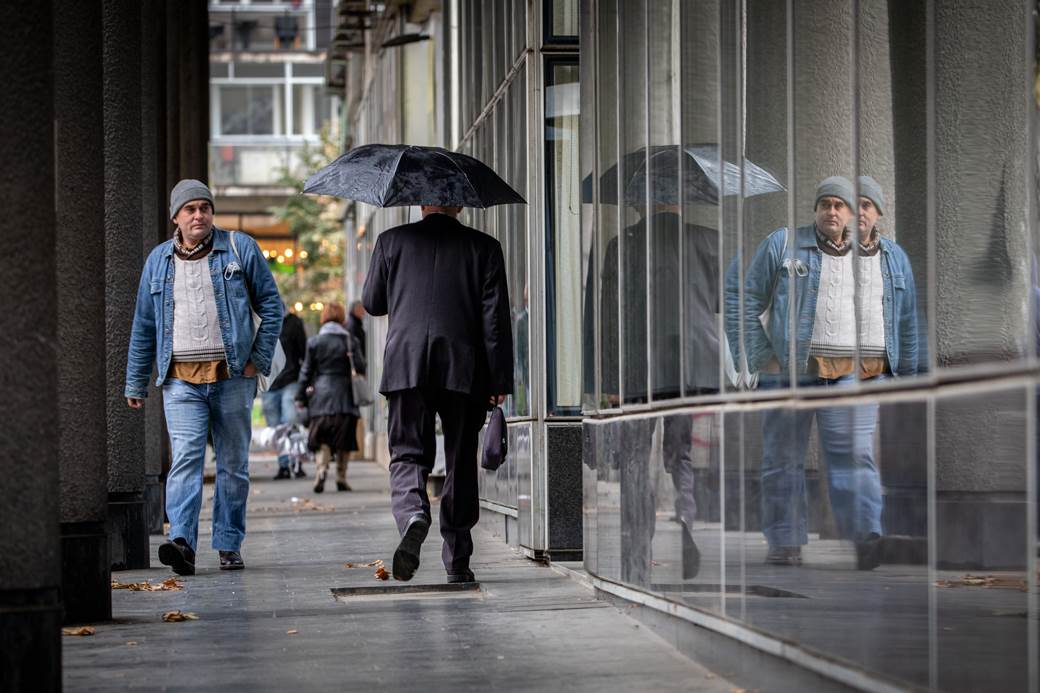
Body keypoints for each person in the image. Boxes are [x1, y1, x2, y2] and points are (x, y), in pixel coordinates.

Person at [725, 175, 919, 570]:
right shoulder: (784, 244)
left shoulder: (892, 257)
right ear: (815, 209)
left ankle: (867, 539)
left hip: (854, 376)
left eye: (840, 205)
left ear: (855, 213)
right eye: (825, 204)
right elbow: (741, 301)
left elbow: (908, 321)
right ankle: (784, 541)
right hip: (790, 375)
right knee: (781, 459)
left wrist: (909, 379)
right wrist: (762, 357)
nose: (833, 211)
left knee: (854, 456)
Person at [125, 179, 282, 575]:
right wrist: (135, 380)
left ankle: (229, 543)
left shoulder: (239, 247)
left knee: (232, 464)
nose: (199, 215)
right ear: (175, 217)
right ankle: (182, 543)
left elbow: (272, 305)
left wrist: (256, 361)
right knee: (186, 461)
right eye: (190, 209)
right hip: (180, 381)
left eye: (205, 208)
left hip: (232, 377)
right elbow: (144, 325)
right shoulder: (157, 261)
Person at [362, 204, 513, 584]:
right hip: (463, 367)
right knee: (461, 460)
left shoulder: (390, 241)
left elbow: (372, 302)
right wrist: (499, 381)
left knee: (408, 452)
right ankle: (458, 559)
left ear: (420, 203)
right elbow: (494, 321)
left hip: (406, 364)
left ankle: (413, 512)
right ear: (459, 205)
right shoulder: (484, 247)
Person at [294, 302, 365, 493]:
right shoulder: (350, 341)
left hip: (321, 397)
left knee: (322, 438)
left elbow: (306, 372)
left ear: (323, 317)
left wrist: (300, 396)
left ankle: (321, 471)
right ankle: (341, 476)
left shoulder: (315, 342)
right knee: (345, 438)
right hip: (346, 396)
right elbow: (361, 366)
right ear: (342, 317)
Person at [262, 305, 308, 479]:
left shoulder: (293, 322)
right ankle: (283, 466)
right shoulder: (261, 319)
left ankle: (297, 463)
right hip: (269, 383)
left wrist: (306, 379)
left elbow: (303, 350)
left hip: (290, 379)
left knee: (290, 421)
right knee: (275, 427)